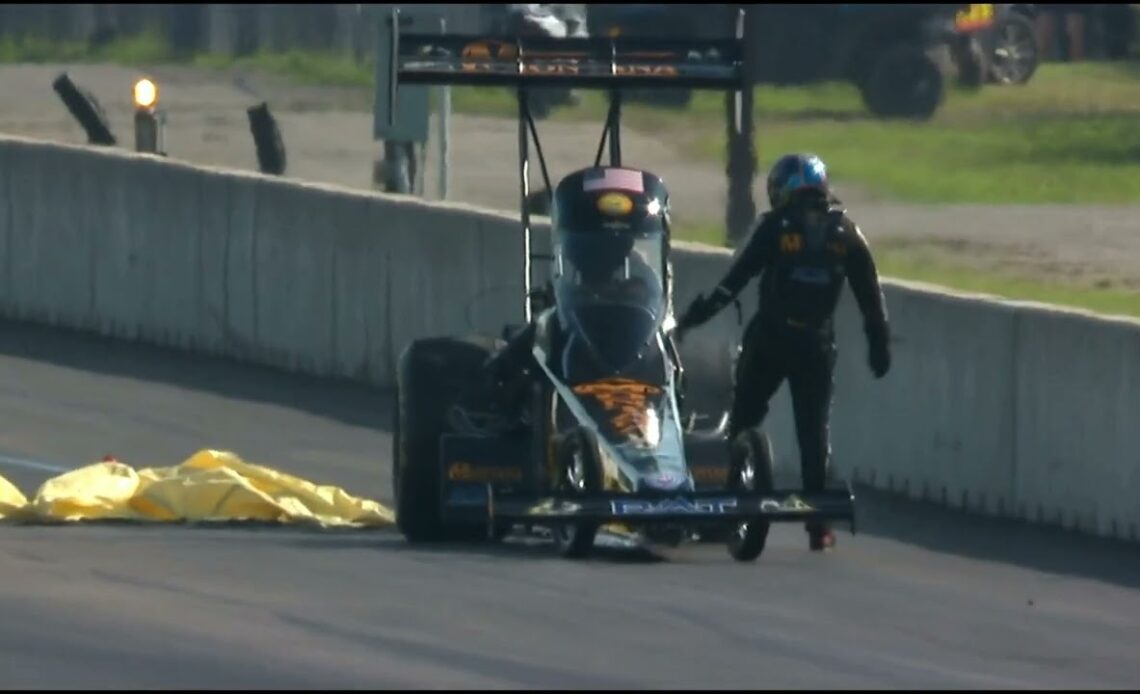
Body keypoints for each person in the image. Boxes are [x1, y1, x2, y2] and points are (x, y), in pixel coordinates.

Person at [673, 153, 891, 551]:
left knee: (743, 417)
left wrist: (694, 317)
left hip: (771, 339)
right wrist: (879, 343)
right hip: (817, 345)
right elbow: (871, 297)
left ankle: (731, 500)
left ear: (781, 190)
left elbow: (733, 281)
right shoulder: (847, 232)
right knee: (814, 431)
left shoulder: (774, 227)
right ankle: (819, 526)